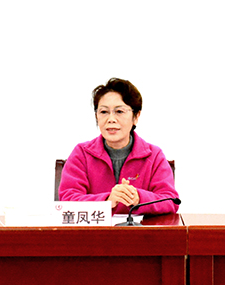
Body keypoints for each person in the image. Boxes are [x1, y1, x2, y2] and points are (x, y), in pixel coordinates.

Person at [59, 78, 179, 215]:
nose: (111, 119)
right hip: (96, 229)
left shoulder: (154, 155)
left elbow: (171, 201)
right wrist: (107, 201)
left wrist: (139, 198)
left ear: (136, 116)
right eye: (104, 112)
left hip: (140, 229)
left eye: (119, 111)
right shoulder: (82, 153)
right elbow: (67, 200)